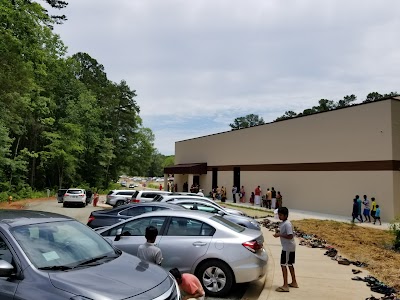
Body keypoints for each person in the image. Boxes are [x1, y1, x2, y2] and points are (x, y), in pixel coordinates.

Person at [273, 207, 298, 292]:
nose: (279, 216)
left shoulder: (287, 224)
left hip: (287, 247)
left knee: (283, 264)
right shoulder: (284, 223)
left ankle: (285, 285)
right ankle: (294, 282)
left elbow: (290, 235)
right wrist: (279, 233)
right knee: (290, 264)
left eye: (281, 215)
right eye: (278, 215)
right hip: (289, 246)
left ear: (285, 215)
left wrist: (279, 234)